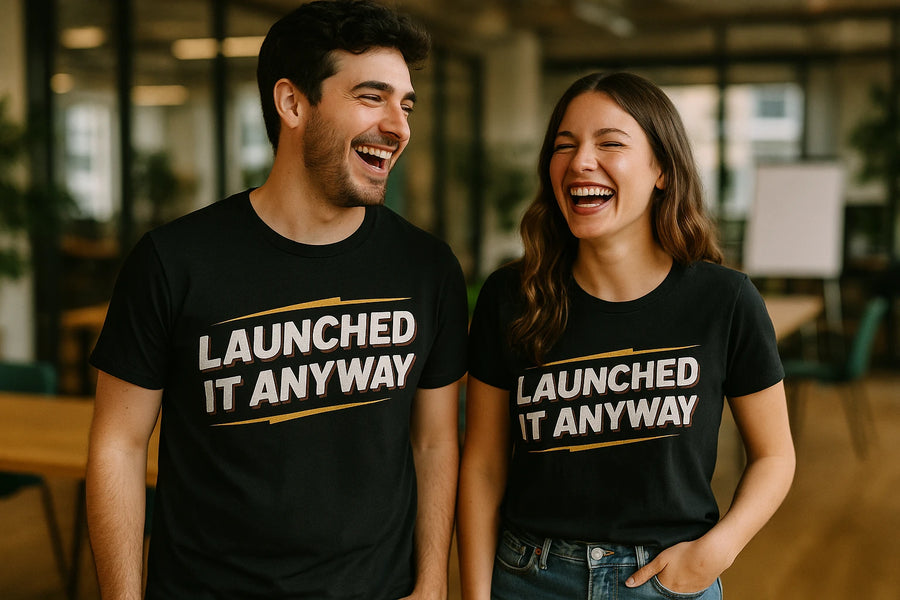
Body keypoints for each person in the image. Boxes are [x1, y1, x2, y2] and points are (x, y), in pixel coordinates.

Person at [85, 1, 468, 598]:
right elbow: (118, 444)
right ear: (292, 103)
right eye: (372, 97)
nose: (399, 126)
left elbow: (435, 439)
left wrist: (432, 583)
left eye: (406, 103)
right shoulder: (174, 260)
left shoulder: (427, 267)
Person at [458, 72, 796, 600]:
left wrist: (713, 553)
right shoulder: (511, 296)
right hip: (529, 578)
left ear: (663, 168)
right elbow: (482, 465)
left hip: (666, 579)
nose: (579, 162)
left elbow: (775, 456)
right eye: (563, 146)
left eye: (609, 143)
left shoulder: (724, 300)